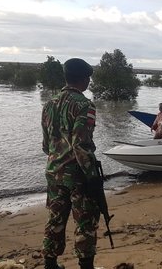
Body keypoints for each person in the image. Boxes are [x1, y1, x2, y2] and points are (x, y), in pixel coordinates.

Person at [41, 58, 100, 269]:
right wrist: (92, 176)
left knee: (55, 219)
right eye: (88, 79)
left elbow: (46, 145)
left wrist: (58, 159)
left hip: (54, 172)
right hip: (78, 175)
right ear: (84, 79)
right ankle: (86, 265)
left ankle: (50, 264)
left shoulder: (49, 104)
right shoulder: (85, 105)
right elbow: (80, 144)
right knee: (85, 222)